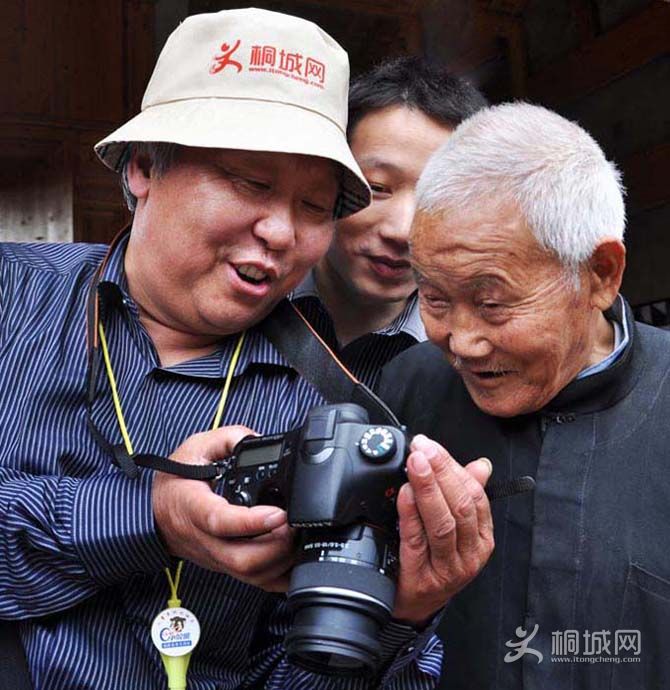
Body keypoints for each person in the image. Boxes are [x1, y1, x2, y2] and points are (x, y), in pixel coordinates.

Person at [0, 8, 495, 690]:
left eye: (315, 207)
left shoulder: (329, 415)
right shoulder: (13, 294)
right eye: (251, 183)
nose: (282, 232)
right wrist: (150, 516)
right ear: (144, 166)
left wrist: (396, 617)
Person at [379, 102, 670, 689]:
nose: (462, 342)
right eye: (434, 298)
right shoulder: (409, 388)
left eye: (492, 303)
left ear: (600, 274)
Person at [291, 57, 487, 389]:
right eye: (376, 187)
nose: (402, 231)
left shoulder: (471, 362)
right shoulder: (241, 307)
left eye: (436, 200)